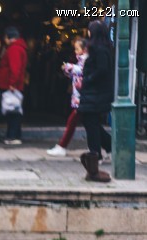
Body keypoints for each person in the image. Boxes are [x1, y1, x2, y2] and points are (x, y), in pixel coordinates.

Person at [78, 20, 115, 182]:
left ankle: (96, 156)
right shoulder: (102, 49)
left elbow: (101, 71)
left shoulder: (100, 50)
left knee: (90, 122)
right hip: (94, 93)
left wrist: (86, 81)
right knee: (91, 123)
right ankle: (109, 147)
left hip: (96, 93)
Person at [48, 38, 87, 157]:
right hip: (80, 97)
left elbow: (82, 71)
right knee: (90, 124)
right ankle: (108, 148)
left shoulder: (86, 60)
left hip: (82, 97)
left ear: (84, 49)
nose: (75, 51)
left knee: (73, 122)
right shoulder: (81, 60)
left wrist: (69, 67)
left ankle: (62, 146)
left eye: (77, 49)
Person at [0, 26, 28, 145]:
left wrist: (12, 83)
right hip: (13, 84)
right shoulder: (18, 48)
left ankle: (13, 136)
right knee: (14, 110)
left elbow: (15, 69)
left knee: (12, 112)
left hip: (11, 85)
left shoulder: (14, 49)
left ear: (8, 37)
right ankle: (14, 135)